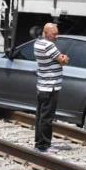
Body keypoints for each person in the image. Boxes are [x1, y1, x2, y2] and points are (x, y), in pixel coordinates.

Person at [33, 22, 69, 152]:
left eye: (57, 33)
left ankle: (39, 142)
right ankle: (44, 146)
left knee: (40, 116)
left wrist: (60, 58)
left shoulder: (38, 43)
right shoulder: (49, 46)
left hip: (42, 85)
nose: (56, 36)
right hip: (50, 87)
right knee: (47, 118)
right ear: (46, 33)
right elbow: (63, 61)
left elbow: (59, 59)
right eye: (54, 34)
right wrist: (64, 58)